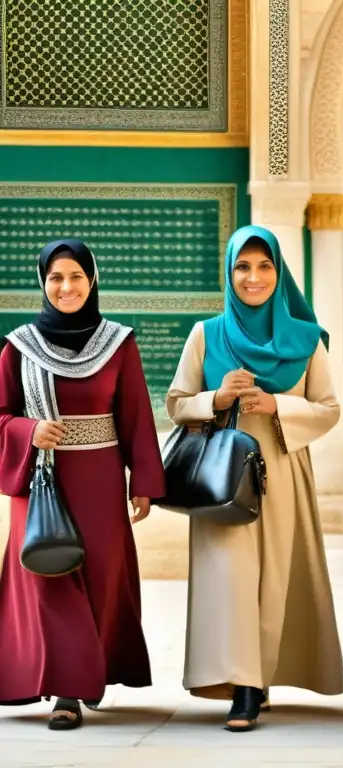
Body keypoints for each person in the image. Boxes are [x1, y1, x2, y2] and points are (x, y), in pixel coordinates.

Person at [165, 225, 343, 732]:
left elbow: (329, 409)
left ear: (279, 272)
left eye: (264, 266)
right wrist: (217, 399)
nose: (253, 277)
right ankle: (242, 685)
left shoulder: (307, 340)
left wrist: (276, 404)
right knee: (232, 577)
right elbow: (177, 403)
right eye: (242, 266)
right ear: (229, 273)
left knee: (276, 578)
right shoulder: (207, 334)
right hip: (223, 474)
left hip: (283, 468)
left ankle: (262, 675)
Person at [0, 239, 165, 730]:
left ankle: (91, 671)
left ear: (92, 280)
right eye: (55, 278)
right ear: (42, 283)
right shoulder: (18, 346)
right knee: (50, 576)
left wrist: (144, 482)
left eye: (75, 276)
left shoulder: (118, 342)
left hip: (99, 477)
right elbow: (1, 413)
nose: (66, 286)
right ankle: (68, 693)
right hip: (42, 479)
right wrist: (29, 431)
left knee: (100, 578)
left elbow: (135, 414)